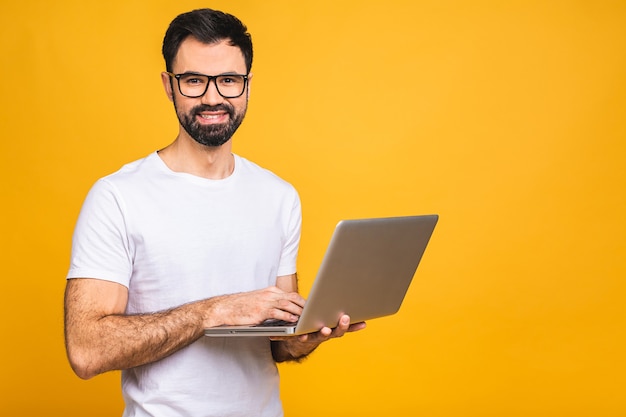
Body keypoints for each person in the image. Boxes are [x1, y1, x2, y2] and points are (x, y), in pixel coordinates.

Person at [64, 8, 365, 417]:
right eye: (193, 81)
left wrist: (308, 334)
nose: (212, 97)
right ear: (169, 86)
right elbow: (86, 348)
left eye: (228, 80)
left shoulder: (279, 197)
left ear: (247, 85)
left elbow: (278, 343)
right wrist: (213, 311)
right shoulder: (117, 197)